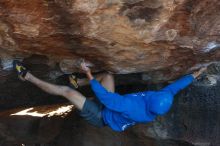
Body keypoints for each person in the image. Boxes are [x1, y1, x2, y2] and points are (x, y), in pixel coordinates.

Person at [13, 60, 206, 132]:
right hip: (113, 107)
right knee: (108, 75)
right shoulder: (162, 98)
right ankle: (77, 81)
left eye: (152, 95)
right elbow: (177, 86)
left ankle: (26, 77)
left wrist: (86, 71)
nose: (153, 93)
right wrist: (196, 73)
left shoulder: (134, 108)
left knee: (67, 93)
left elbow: (105, 98)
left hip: (101, 116)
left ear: (149, 103)